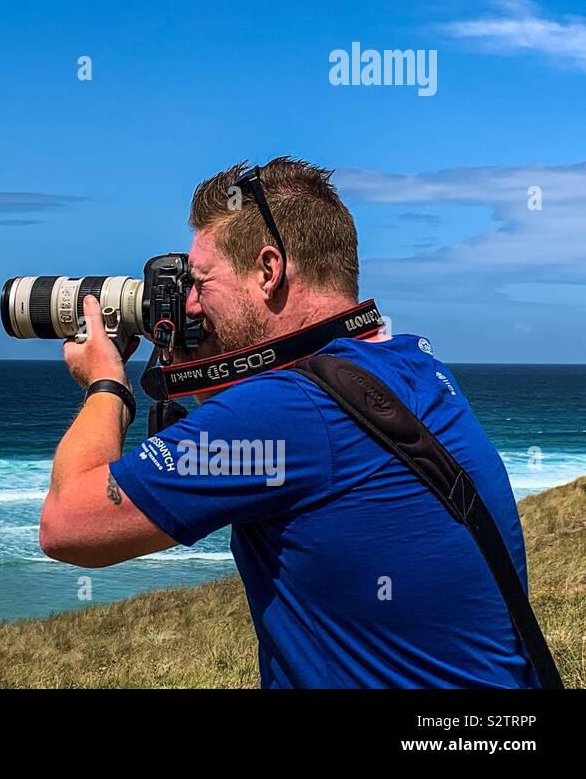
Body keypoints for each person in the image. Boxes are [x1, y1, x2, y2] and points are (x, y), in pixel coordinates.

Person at [38, 156, 539, 688]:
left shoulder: (290, 413)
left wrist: (105, 383)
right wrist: (212, 375)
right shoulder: (414, 367)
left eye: (202, 281)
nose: (190, 303)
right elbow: (295, 449)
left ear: (268, 270)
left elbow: (68, 526)